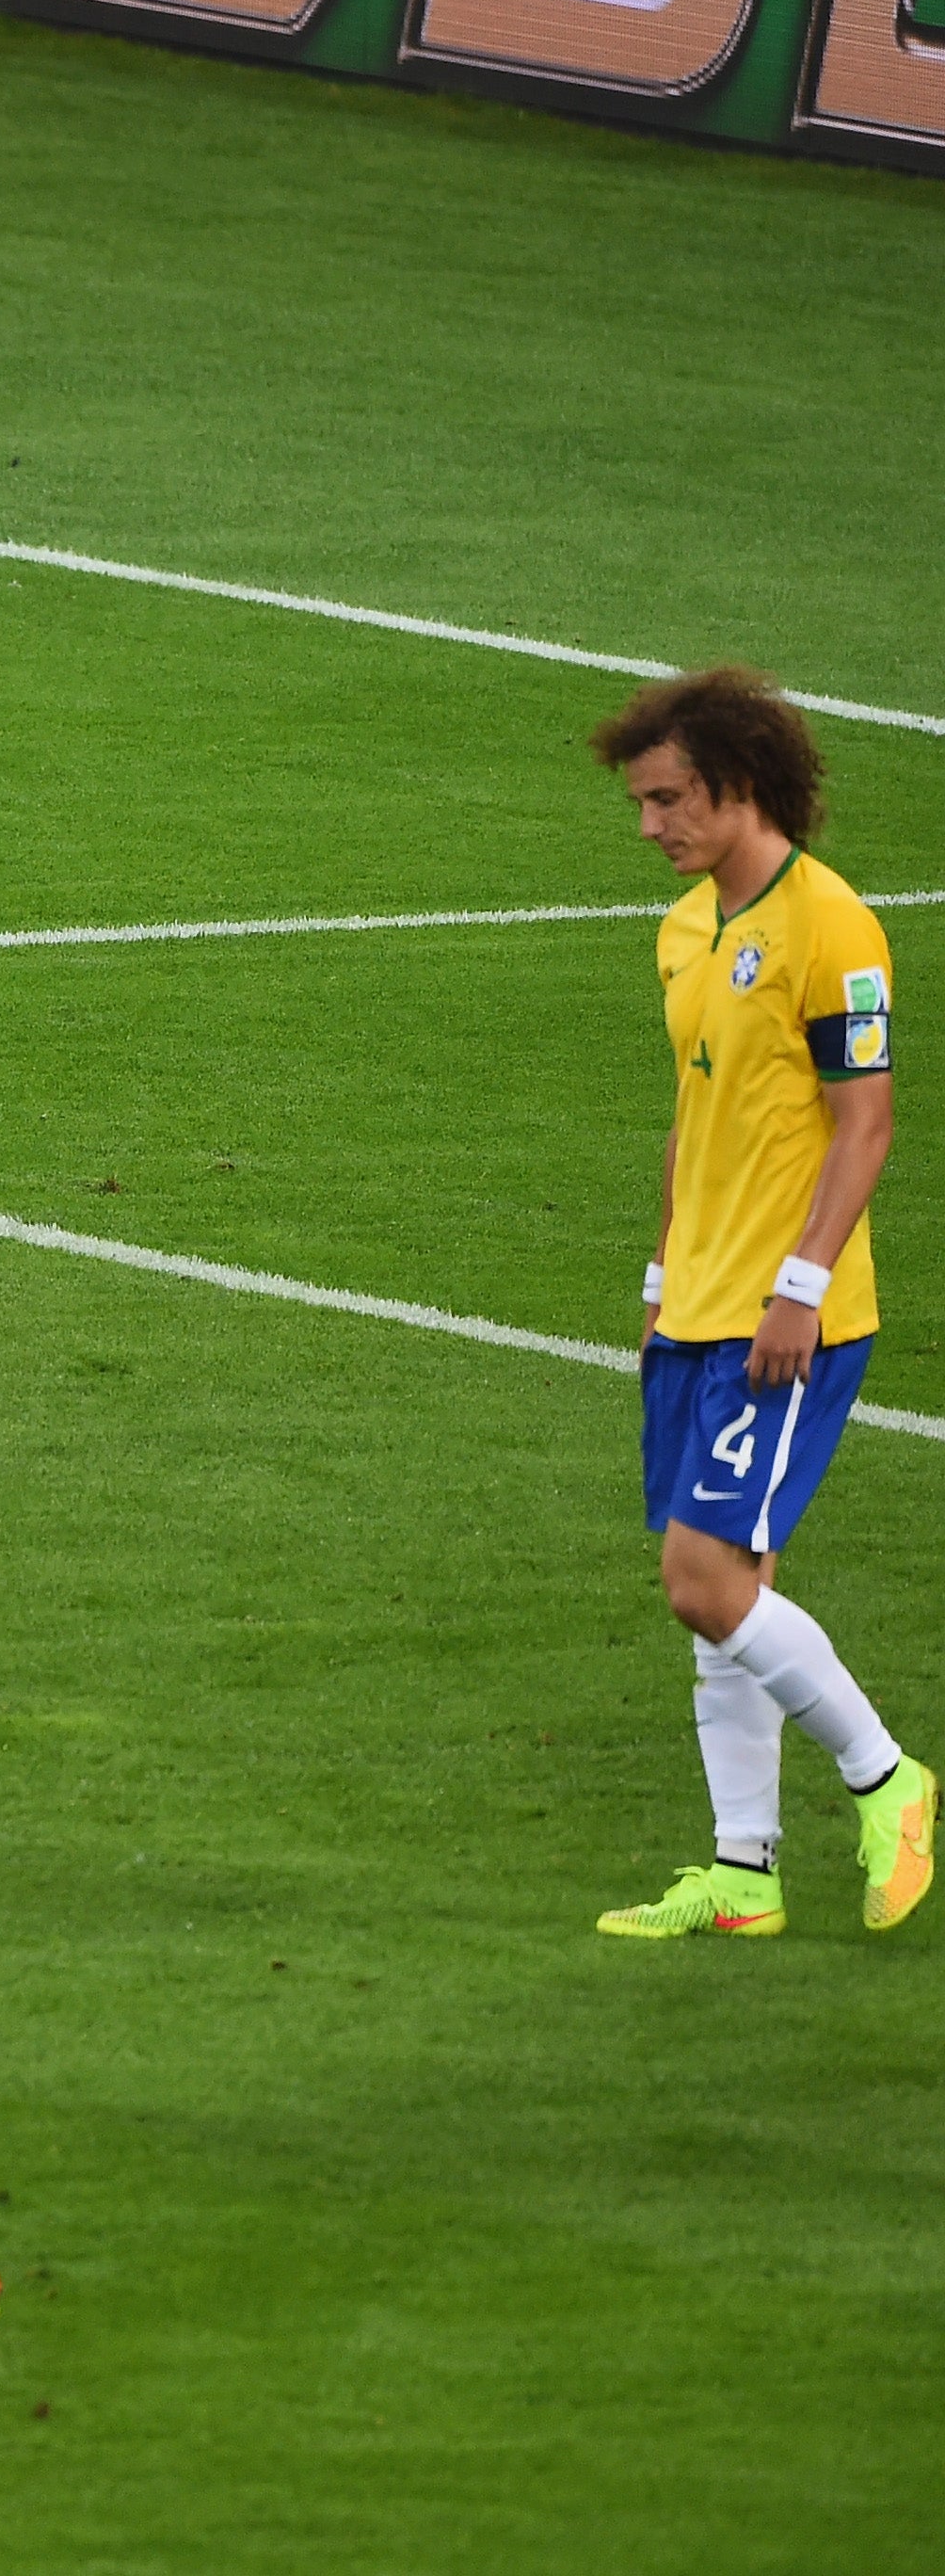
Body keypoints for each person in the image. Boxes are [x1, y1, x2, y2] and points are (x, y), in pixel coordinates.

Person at [589, 669, 932, 1940]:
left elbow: (867, 1124)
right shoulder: (686, 931)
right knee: (731, 1575)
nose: (651, 825)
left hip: (790, 1316)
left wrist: (796, 1288)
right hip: (700, 1304)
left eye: (669, 798)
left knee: (700, 1580)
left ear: (740, 784)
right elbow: (700, 1108)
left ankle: (888, 1779)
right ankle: (744, 1870)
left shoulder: (832, 929)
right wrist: (663, 1276)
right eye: (642, 801)